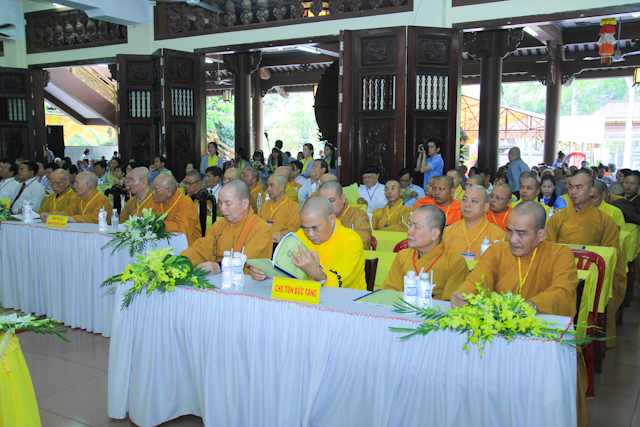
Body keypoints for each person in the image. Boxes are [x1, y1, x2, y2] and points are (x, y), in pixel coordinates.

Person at [546, 173, 626, 350]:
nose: (573, 191)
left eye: (579, 187)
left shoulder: (606, 221)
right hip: (560, 278)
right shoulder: (557, 218)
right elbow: (548, 252)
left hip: (593, 282)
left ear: (591, 191)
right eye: (570, 187)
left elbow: (610, 259)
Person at [250, 196, 366, 289]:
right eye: (304, 227)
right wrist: (265, 272)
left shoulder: (351, 240)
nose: (309, 234)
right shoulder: (300, 236)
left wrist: (315, 273)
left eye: (315, 227)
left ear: (331, 220)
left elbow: (340, 282)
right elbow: (286, 270)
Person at [181, 180, 273, 274]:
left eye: (228, 204)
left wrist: (221, 266)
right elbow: (201, 249)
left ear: (245, 203)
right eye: (220, 203)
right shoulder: (218, 226)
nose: (222, 209)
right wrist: (183, 260)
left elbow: (251, 263)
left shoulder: (261, 228)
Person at [381, 205, 469, 300]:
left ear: (434, 234)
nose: (409, 231)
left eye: (416, 227)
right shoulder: (403, 256)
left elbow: (451, 303)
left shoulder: (455, 262)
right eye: (410, 225)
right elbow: (389, 292)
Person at [443, 185, 505, 260]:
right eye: (464, 199)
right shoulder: (448, 231)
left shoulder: (499, 235)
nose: (467, 204)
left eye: (474, 201)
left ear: (486, 207)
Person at [147, 174, 200, 245]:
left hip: (186, 244)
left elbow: (182, 229)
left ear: (169, 191)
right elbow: (143, 216)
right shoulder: (155, 200)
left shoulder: (185, 202)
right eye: (152, 188)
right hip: (161, 242)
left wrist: (159, 225)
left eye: (156, 190)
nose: (152, 192)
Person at [318, 181, 372, 250]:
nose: (327, 205)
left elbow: (363, 244)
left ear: (343, 198)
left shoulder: (358, 215)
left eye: (331, 201)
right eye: (323, 202)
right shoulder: (317, 217)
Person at [42, 172, 111, 223]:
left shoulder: (102, 199)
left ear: (88, 185)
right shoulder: (79, 199)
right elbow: (66, 213)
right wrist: (50, 215)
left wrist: (71, 219)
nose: (74, 186)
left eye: (77, 183)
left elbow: (96, 218)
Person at [258, 173, 301, 243]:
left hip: (281, 244)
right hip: (262, 242)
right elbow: (257, 223)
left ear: (282, 187)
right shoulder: (265, 205)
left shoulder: (293, 207)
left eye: (272, 185)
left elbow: (293, 230)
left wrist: (280, 235)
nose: (268, 189)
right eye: (268, 185)